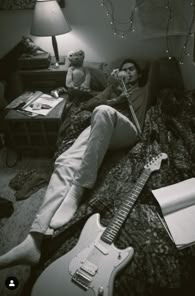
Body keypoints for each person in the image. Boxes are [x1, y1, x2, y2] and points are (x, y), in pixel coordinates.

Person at [0, 59, 150, 268]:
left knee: (104, 111)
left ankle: (78, 189)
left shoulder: (143, 90)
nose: (127, 72)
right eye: (123, 70)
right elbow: (87, 106)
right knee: (65, 160)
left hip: (128, 131)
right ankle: (34, 239)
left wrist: (121, 100)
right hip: (101, 125)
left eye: (131, 69)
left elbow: (132, 109)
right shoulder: (113, 89)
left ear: (139, 74)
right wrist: (112, 89)